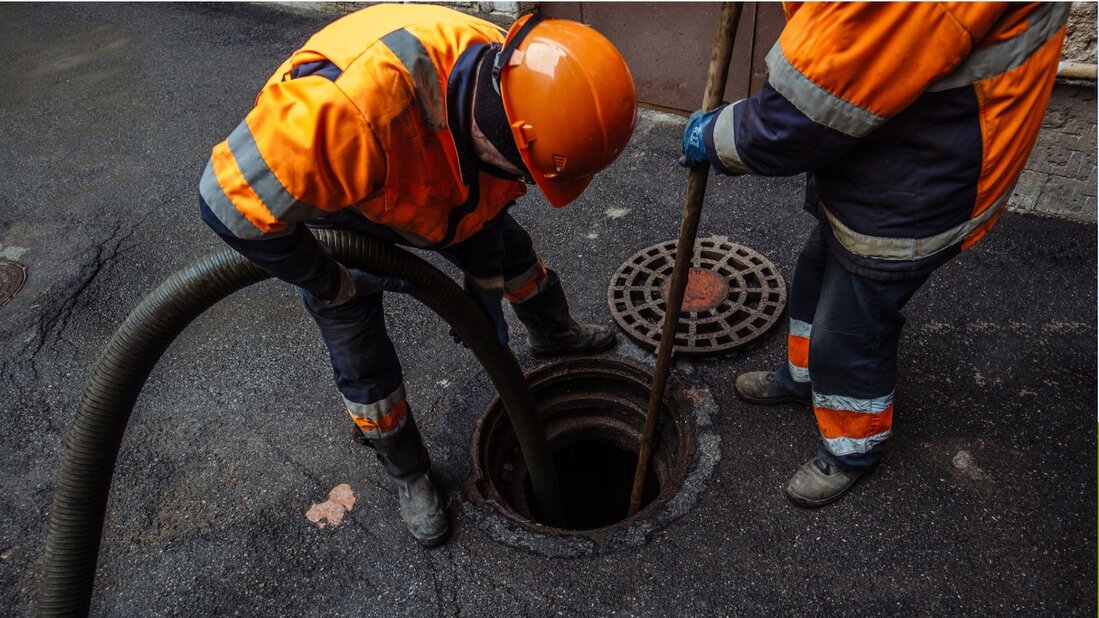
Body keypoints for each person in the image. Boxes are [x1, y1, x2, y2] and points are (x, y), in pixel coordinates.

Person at [198, 4, 637, 545]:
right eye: (531, 172)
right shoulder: (344, 113)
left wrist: (484, 294)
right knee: (357, 343)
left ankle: (553, 333)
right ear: (506, 137)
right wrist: (329, 279)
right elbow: (223, 202)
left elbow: (490, 209)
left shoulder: (521, 79)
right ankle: (408, 472)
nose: (531, 183)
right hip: (352, 197)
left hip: (438, 178)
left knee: (511, 252)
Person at [680, 2, 1067, 507]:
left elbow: (799, 115)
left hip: (923, 175)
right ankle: (803, 377)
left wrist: (715, 136)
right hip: (887, 143)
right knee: (815, 270)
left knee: (851, 327)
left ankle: (852, 446)